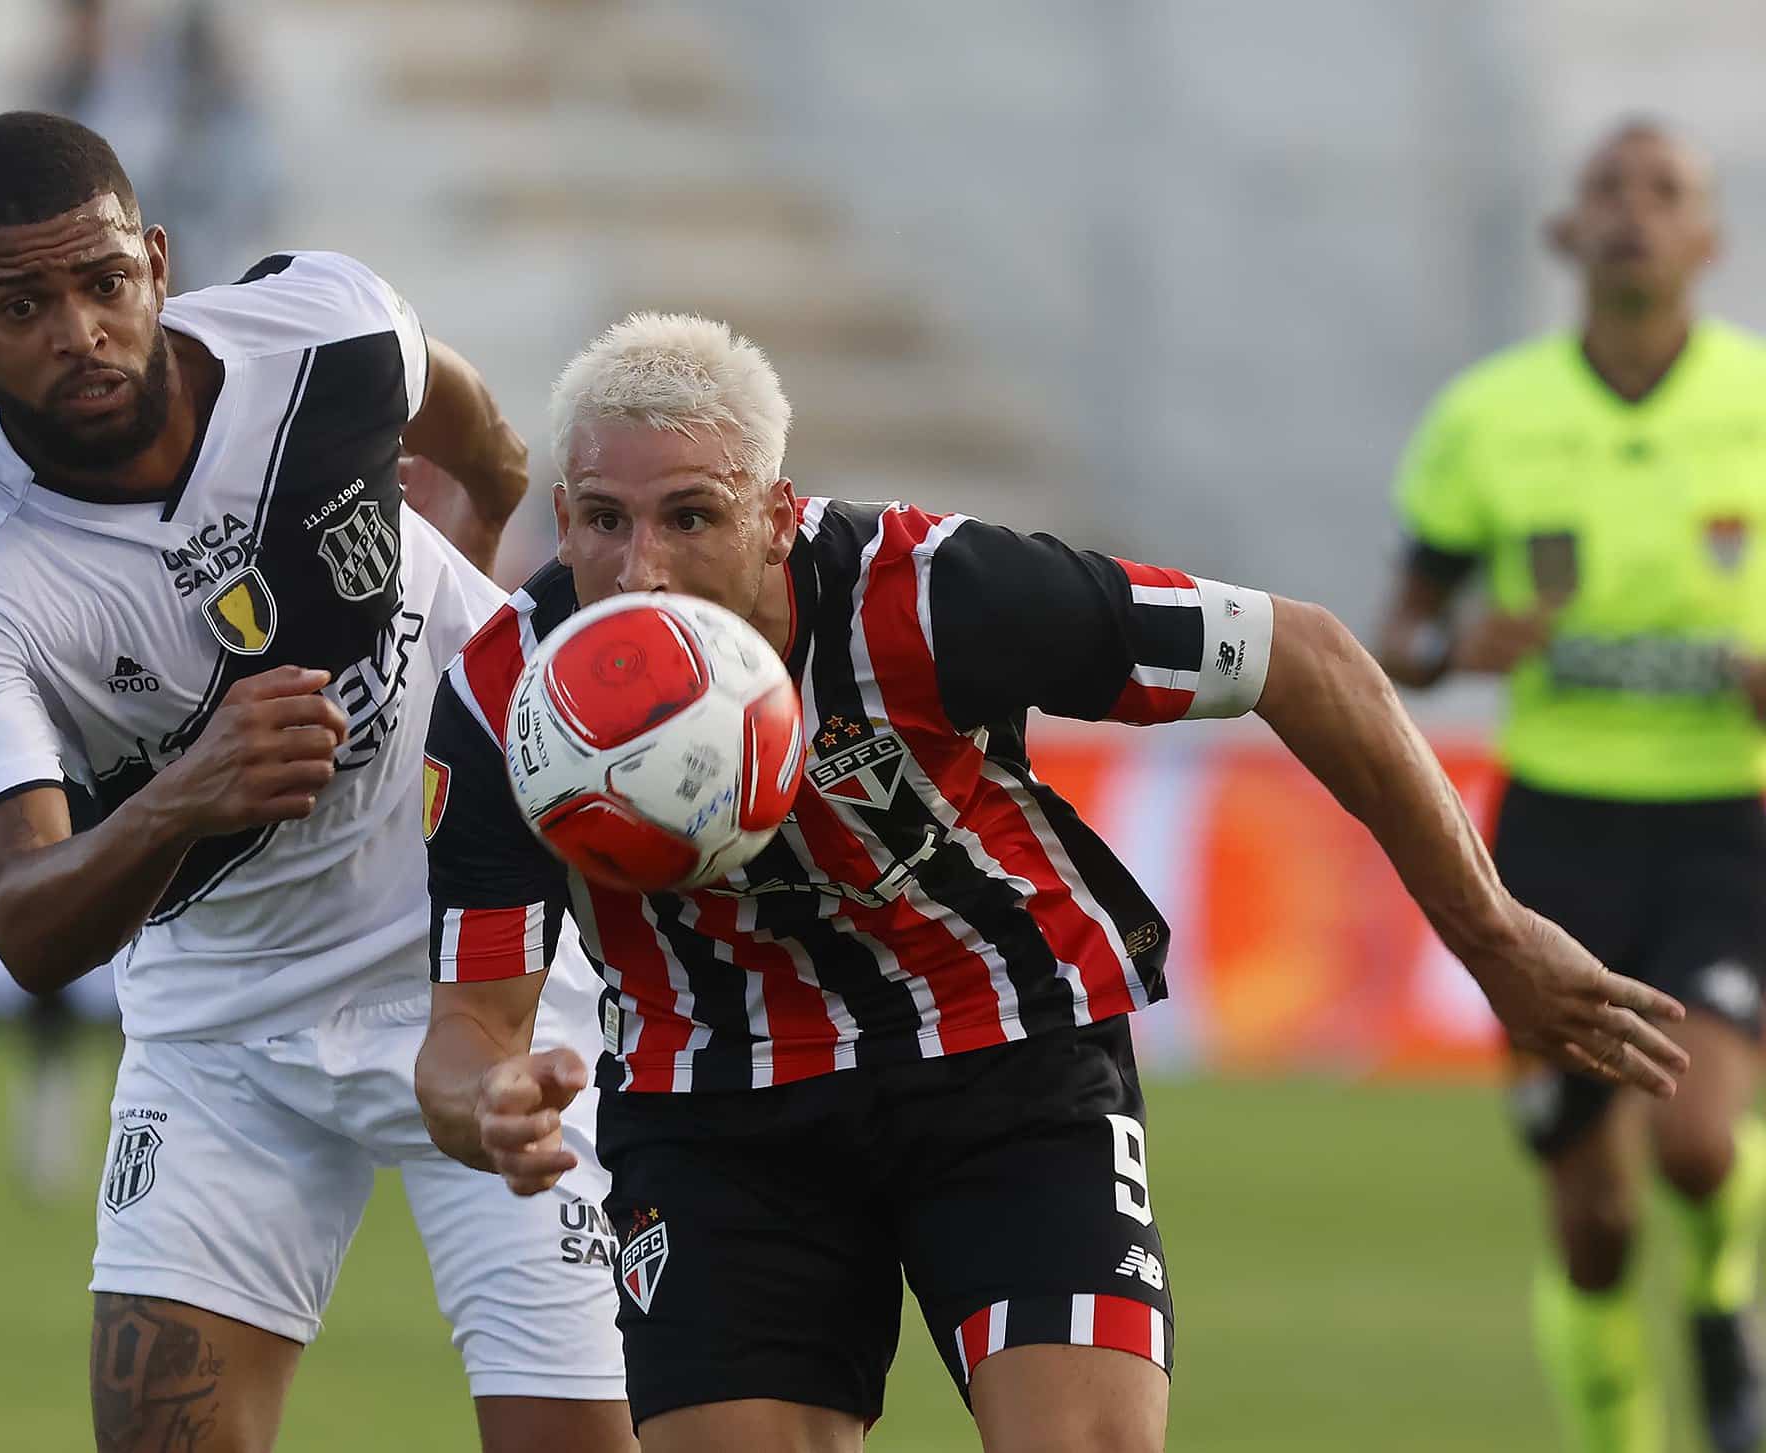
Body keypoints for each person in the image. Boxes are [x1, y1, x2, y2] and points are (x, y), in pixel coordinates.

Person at [413, 311, 1691, 1452]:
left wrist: (1491, 934)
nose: (640, 568)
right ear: (561, 519)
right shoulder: (501, 702)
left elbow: (1299, 653)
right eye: (604, 520)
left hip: (1002, 1054)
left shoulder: (933, 593)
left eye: (690, 517)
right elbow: (466, 1034)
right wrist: (489, 1106)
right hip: (715, 1109)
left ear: (777, 515)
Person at [0, 112, 631, 1453]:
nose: (80, 331)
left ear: (158, 263)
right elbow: (25, 922)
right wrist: (186, 793)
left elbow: (481, 442)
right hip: (230, 1012)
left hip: (491, 952)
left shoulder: (327, 332)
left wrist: (472, 588)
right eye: (22, 306)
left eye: (105, 282)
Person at [1379, 118, 1766, 1453]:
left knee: (1698, 1143)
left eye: (1664, 192)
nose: (1632, 211)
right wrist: (1451, 650)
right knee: (1592, 1223)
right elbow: (1395, 636)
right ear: (1565, 231)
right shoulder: (1488, 419)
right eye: (1607, 187)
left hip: (1721, 825)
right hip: (1550, 839)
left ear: (1707, 238)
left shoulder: (1755, 403)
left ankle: (1722, 1309)